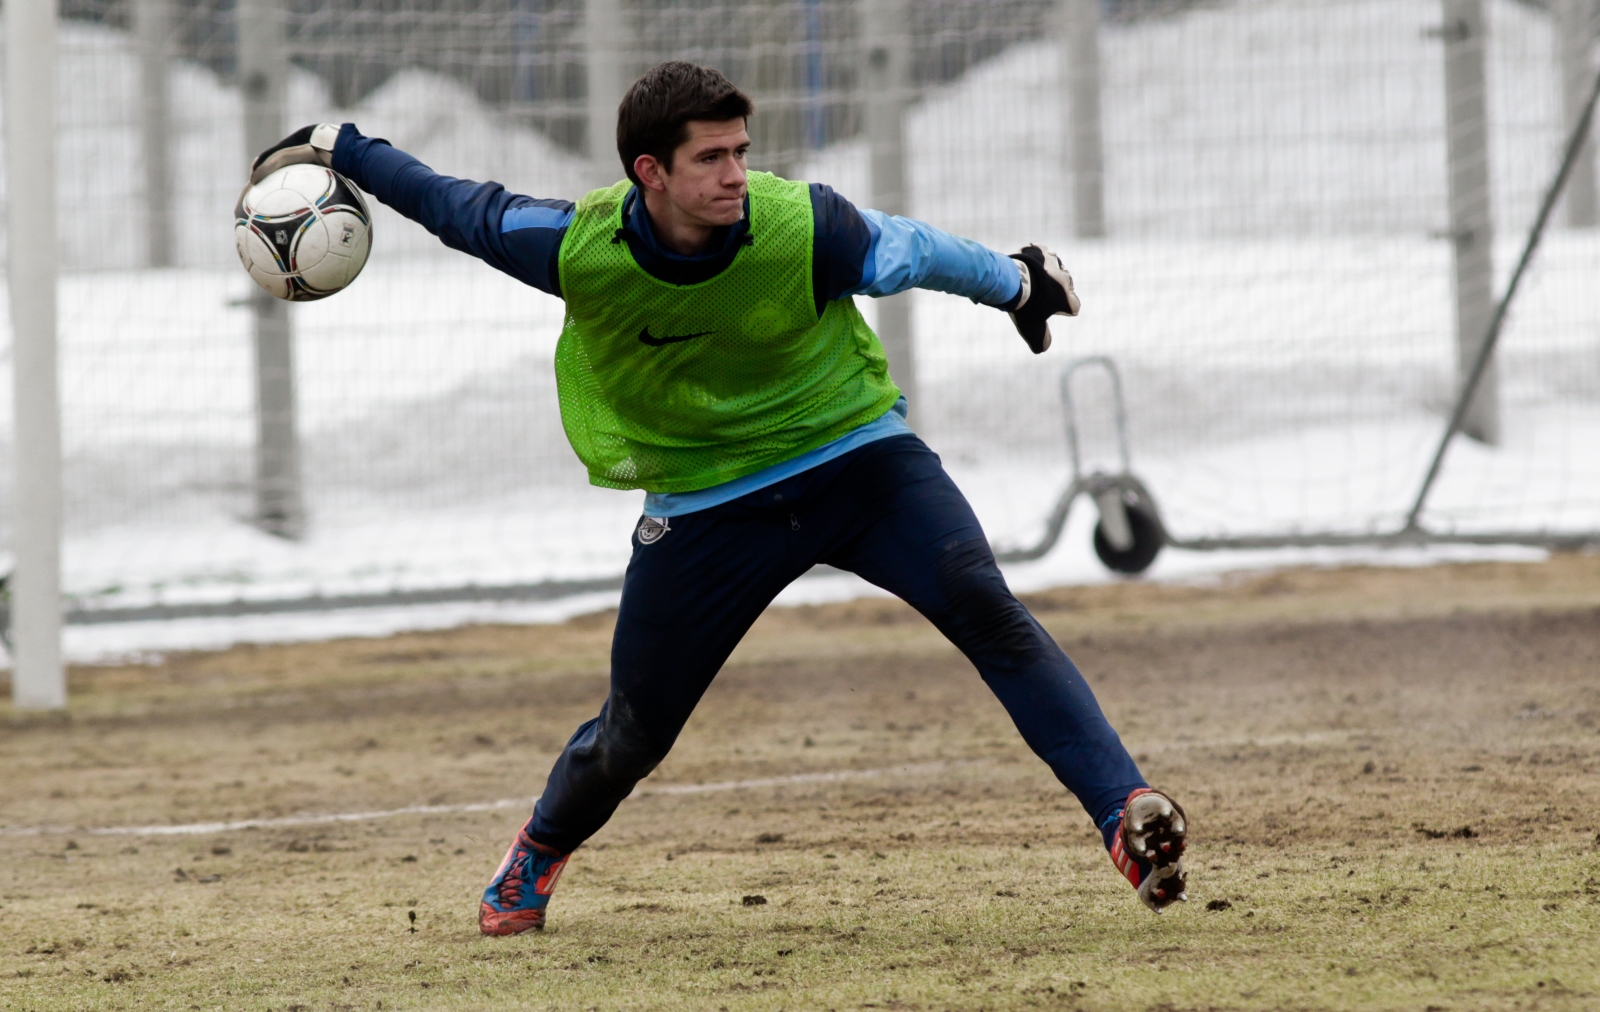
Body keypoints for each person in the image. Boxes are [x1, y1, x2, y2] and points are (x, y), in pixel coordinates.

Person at [249, 60, 1188, 935]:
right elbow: (457, 207)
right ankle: (536, 851)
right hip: (705, 505)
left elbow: (917, 252)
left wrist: (1019, 284)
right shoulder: (577, 249)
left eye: (742, 150)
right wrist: (339, 146)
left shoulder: (803, 225)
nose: (738, 172)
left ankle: (1126, 814)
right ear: (648, 172)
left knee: (987, 605)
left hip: (857, 458)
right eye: (712, 157)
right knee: (633, 732)